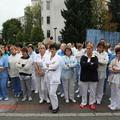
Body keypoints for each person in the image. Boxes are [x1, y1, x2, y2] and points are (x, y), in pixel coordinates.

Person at [79, 42, 98, 110]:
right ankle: (84, 102)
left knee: (93, 91)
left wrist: (87, 64)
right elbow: (82, 65)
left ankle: (91, 103)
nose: (89, 49)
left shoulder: (95, 57)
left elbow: (95, 66)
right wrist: (90, 64)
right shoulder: (83, 57)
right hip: (84, 77)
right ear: (86, 49)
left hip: (93, 77)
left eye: (90, 48)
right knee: (84, 90)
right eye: (87, 48)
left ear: (92, 49)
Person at [45, 44, 62, 113]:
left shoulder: (59, 57)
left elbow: (55, 66)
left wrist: (48, 66)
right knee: (49, 92)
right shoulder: (48, 56)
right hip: (48, 77)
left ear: (56, 50)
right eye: (51, 49)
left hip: (55, 77)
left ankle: (56, 107)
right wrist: (49, 67)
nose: (52, 50)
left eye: (53, 49)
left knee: (52, 93)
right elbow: (44, 64)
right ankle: (53, 104)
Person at [108, 45, 120, 110]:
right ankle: (112, 103)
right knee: (113, 91)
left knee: (118, 92)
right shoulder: (114, 60)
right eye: (118, 53)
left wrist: (118, 70)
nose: (119, 54)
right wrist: (112, 70)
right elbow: (109, 67)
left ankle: (117, 105)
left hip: (119, 78)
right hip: (113, 77)